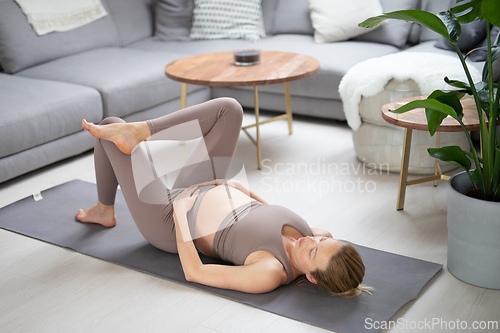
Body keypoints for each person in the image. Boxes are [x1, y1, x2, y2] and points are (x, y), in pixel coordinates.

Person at [76, 97, 371, 296]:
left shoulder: (270, 272)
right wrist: (247, 194)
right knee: (229, 109)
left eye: (312, 252)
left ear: (312, 278)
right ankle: (143, 131)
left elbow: (195, 272)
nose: (310, 241)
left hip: (170, 220)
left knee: (110, 129)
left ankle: (105, 208)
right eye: (321, 241)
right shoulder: (319, 237)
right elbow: (268, 221)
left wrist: (180, 213)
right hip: (210, 184)